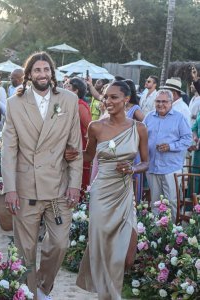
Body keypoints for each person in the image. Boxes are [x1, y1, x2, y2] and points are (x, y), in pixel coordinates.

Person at [1, 51, 82, 300]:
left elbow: (75, 147)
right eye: (37, 70)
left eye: (46, 70)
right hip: (26, 186)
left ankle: (43, 287)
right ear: (29, 74)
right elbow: (9, 150)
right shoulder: (15, 103)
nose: (42, 74)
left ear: (52, 73)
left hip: (59, 186)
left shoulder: (68, 100)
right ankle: (30, 292)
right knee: (25, 248)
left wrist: (75, 185)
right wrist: (10, 188)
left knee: (60, 244)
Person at [71, 80, 149, 300]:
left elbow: (146, 163)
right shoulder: (95, 126)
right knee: (100, 247)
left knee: (125, 255)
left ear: (126, 100)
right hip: (101, 193)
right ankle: (109, 296)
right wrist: (72, 154)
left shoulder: (139, 128)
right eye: (105, 96)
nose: (108, 101)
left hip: (124, 193)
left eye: (114, 97)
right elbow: (88, 156)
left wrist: (133, 169)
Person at [144, 89, 192, 221]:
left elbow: (188, 139)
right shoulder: (149, 117)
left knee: (171, 202)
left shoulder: (179, 117)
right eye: (158, 101)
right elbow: (141, 137)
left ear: (171, 102)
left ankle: (172, 233)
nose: (161, 104)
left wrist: (170, 146)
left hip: (171, 168)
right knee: (155, 202)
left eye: (164, 101)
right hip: (152, 167)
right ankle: (155, 234)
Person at [66, 77, 92, 192]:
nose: (64, 88)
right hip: (70, 146)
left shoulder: (80, 105)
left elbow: (89, 128)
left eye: (67, 86)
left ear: (76, 90)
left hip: (80, 145)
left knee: (80, 179)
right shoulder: (69, 103)